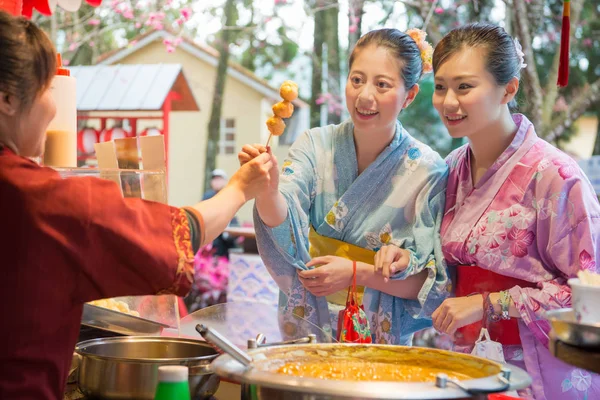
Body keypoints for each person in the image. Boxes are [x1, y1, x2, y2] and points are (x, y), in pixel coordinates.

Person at [0, 12, 275, 400]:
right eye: (47, 87)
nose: (52, 105)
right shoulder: (43, 200)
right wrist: (239, 188)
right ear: (8, 100)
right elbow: (179, 232)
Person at [374, 23, 600, 399]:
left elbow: (589, 293)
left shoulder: (556, 176)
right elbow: (437, 262)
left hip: (536, 369)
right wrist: (406, 257)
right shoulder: (452, 167)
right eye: (442, 86)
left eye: (465, 87)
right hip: (465, 358)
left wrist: (488, 304)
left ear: (508, 89)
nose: (448, 102)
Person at [239, 28, 450, 344]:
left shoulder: (427, 170)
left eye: (382, 84)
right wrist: (268, 190)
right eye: (357, 80)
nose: (365, 96)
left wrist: (357, 272)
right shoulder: (314, 144)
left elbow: (428, 281)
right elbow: (283, 221)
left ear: (410, 95)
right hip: (307, 319)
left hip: (378, 333)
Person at [202, 168, 239, 258]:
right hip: (210, 234)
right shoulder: (207, 196)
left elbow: (233, 218)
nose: (217, 181)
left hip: (225, 235)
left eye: (219, 179)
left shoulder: (229, 196)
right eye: (214, 179)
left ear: (225, 181)